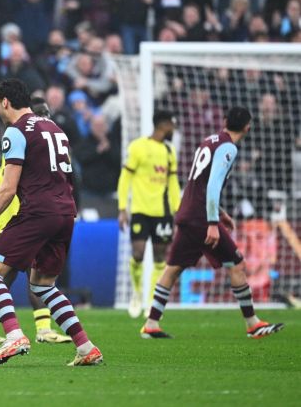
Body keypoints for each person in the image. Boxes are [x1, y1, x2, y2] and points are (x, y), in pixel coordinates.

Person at [0, 78, 102, 367]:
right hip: (65, 213)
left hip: (37, 211)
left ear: (3, 102)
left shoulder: (15, 132)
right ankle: (86, 346)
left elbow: (7, 188)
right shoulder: (55, 128)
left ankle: (13, 334)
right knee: (43, 285)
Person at [140, 106, 285, 339]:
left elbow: (199, 182)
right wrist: (212, 221)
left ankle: (151, 324)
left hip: (187, 212)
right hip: (200, 217)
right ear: (248, 126)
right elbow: (212, 185)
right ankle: (252, 323)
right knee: (235, 263)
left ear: (225, 121)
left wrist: (220, 212)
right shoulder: (228, 147)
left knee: (173, 268)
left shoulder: (210, 140)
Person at [0, 97, 72, 345]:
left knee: (17, 277)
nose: (47, 117)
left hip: (31, 217)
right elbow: (8, 187)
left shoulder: (34, 141)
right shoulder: (24, 139)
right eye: (43, 113)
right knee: (14, 276)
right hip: (19, 218)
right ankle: (36, 329)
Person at [117, 110, 181, 318]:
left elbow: (172, 184)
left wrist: (178, 212)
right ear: (163, 125)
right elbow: (125, 178)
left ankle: (152, 302)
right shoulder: (138, 147)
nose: (173, 130)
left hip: (162, 213)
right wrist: (122, 208)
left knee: (160, 258)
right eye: (171, 125)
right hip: (140, 210)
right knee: (138, 254)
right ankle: (137, 293)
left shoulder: (170, 152)